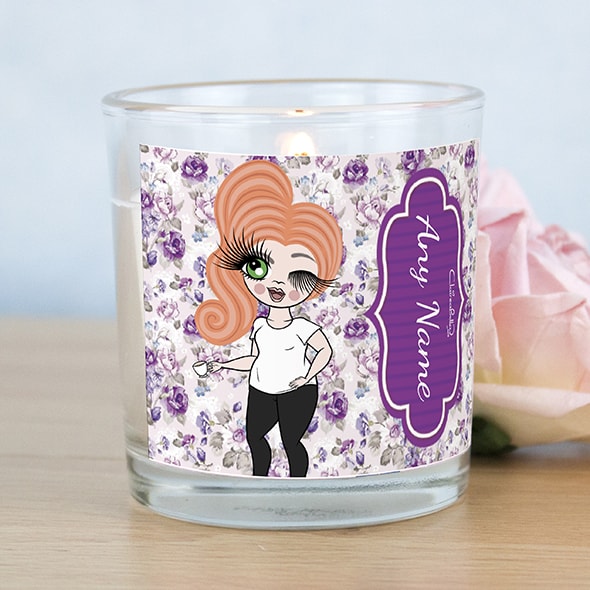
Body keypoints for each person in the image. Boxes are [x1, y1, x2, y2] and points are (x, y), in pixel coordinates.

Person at [195, 159, 343, 477]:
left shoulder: (303, 327)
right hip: (261, 389)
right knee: (254, 437)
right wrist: (220, 365)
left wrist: (306, 375)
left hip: (297, 392)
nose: (277, 283)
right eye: (259, 266)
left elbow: (325, 351)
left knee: (291, 442)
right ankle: (259, 480)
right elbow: (255, 359)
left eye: (298, 276)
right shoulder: (260, 326)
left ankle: (298, 487)